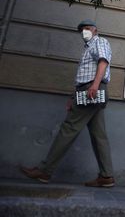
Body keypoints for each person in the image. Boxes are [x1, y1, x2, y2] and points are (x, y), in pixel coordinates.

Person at [21, 19, 115, 188]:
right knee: (98, 135)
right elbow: (84, 75)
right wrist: (73, 97)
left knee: (69, 128)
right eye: (81, 30)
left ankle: (45, 170)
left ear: (95, 30)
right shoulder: (87, 48)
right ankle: (106, 176)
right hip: (89, 90)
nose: (84, 32)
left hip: (92, 89)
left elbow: (103, 62)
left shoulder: (99, 41)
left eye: (87, 28)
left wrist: (94, 85)